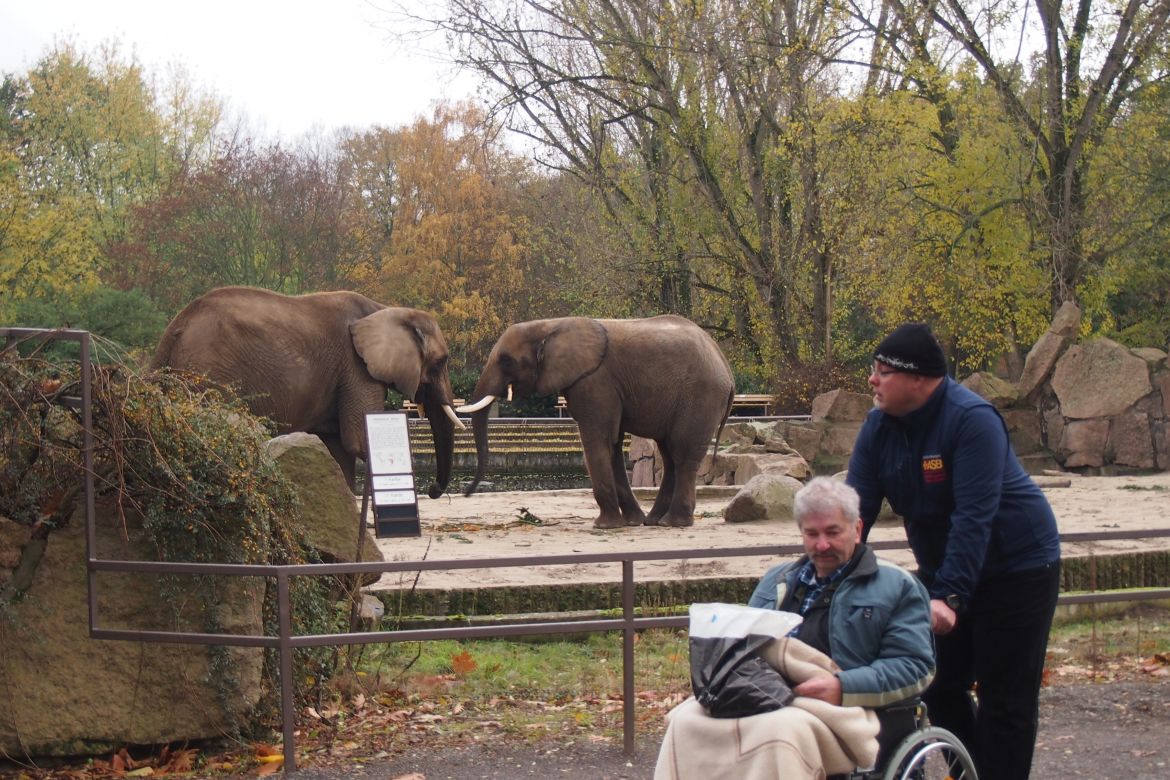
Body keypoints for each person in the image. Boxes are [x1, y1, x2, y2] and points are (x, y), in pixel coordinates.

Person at [846, 322, 1062, 780]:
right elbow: (854, 513)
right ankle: (971, 772)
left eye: (883, 372)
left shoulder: (972, 420)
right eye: (874, 369)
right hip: (944, 568)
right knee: (937, 686)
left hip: (1017, 567)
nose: (872, 380)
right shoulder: (877, 426)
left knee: (1006, 702)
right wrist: (826, 575)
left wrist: (950, 598)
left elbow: (974, 517)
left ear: (919, 380)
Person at [748, 476, 935, 712]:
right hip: (769, 697)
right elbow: (741, 647)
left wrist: (844, 688)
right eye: (812, 534)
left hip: (850, 709)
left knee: (781, 730)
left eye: (833, 532)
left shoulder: (898, 586)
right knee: (692, 719)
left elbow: (914, 667)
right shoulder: (774, 581)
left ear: (857, 530)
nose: (822, 545)